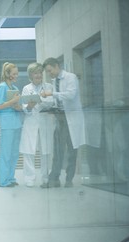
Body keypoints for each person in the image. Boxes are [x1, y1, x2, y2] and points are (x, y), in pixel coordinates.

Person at [41, 57, 85, 188]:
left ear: (56, 66)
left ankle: (69, 180)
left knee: (72, 150)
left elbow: (70, 95)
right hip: (60, 118)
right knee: (58, 150)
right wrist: (50, 105)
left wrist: (52, 94)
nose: (50, 74)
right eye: (48, 72)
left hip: (71, 118)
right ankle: (54, 179)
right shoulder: (55, 81)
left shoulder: (71, 78)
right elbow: (58, 99)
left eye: (50, 71)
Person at [19, 63, 55, 188]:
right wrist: (29, 106)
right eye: (35, 73)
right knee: (28, 151)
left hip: (45, 122)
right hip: (31, 121)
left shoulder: (48, 86)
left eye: (40, 72)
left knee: (46, 151)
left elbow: (51, 102)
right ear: (30, 75)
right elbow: (24, 108)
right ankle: (29, 178)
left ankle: (46, 177)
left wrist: (41, 100)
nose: (38, 75)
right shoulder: (26, 88)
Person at [0, 62, 22, 188]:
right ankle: (3, 181)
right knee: (6, 153)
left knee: (14, 153)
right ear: (7, 74)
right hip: (7, 124)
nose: (16, 76)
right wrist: (12, 101)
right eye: (14, 73)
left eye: (17, 73)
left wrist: (18, 106)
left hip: (16, 123)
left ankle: (11, 178)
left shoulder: (15, 89)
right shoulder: (2, 87)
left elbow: (16, 105)